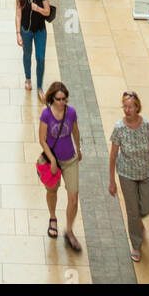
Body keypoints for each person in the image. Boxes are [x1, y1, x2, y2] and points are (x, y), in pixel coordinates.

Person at [109, 89, 149, 263]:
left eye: (130, 107)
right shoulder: (119, 128)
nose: (127, 110)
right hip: (126, 173)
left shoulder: (146, 125)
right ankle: (135, 244)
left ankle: (138, 221)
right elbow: (113, 155)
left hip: (147, 172)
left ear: (137, 107)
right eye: (125, 107)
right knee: (132, 210)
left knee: (147, 206)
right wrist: (111, 180)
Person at [40, 82, 82, 251]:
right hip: (53, 161)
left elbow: (75, 131)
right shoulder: (46, 115)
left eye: (64, 99)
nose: (62, 102)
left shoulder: (71, 112)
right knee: (52, 191)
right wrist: (52, 160)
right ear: (52, 99)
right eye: (58, 99)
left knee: (73, 197)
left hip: (70, 159)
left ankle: (69, 230)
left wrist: (79, 148)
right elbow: (42, 140)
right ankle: (52, 217)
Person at [15, 0, 49, 98]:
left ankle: (40, 86)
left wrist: (38, 9)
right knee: (27, 55)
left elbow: (47, 11)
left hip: (40, 31)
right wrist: (18, 33)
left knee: (40, 58)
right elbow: (18, 15)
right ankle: (28, 78)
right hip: (26, 31)